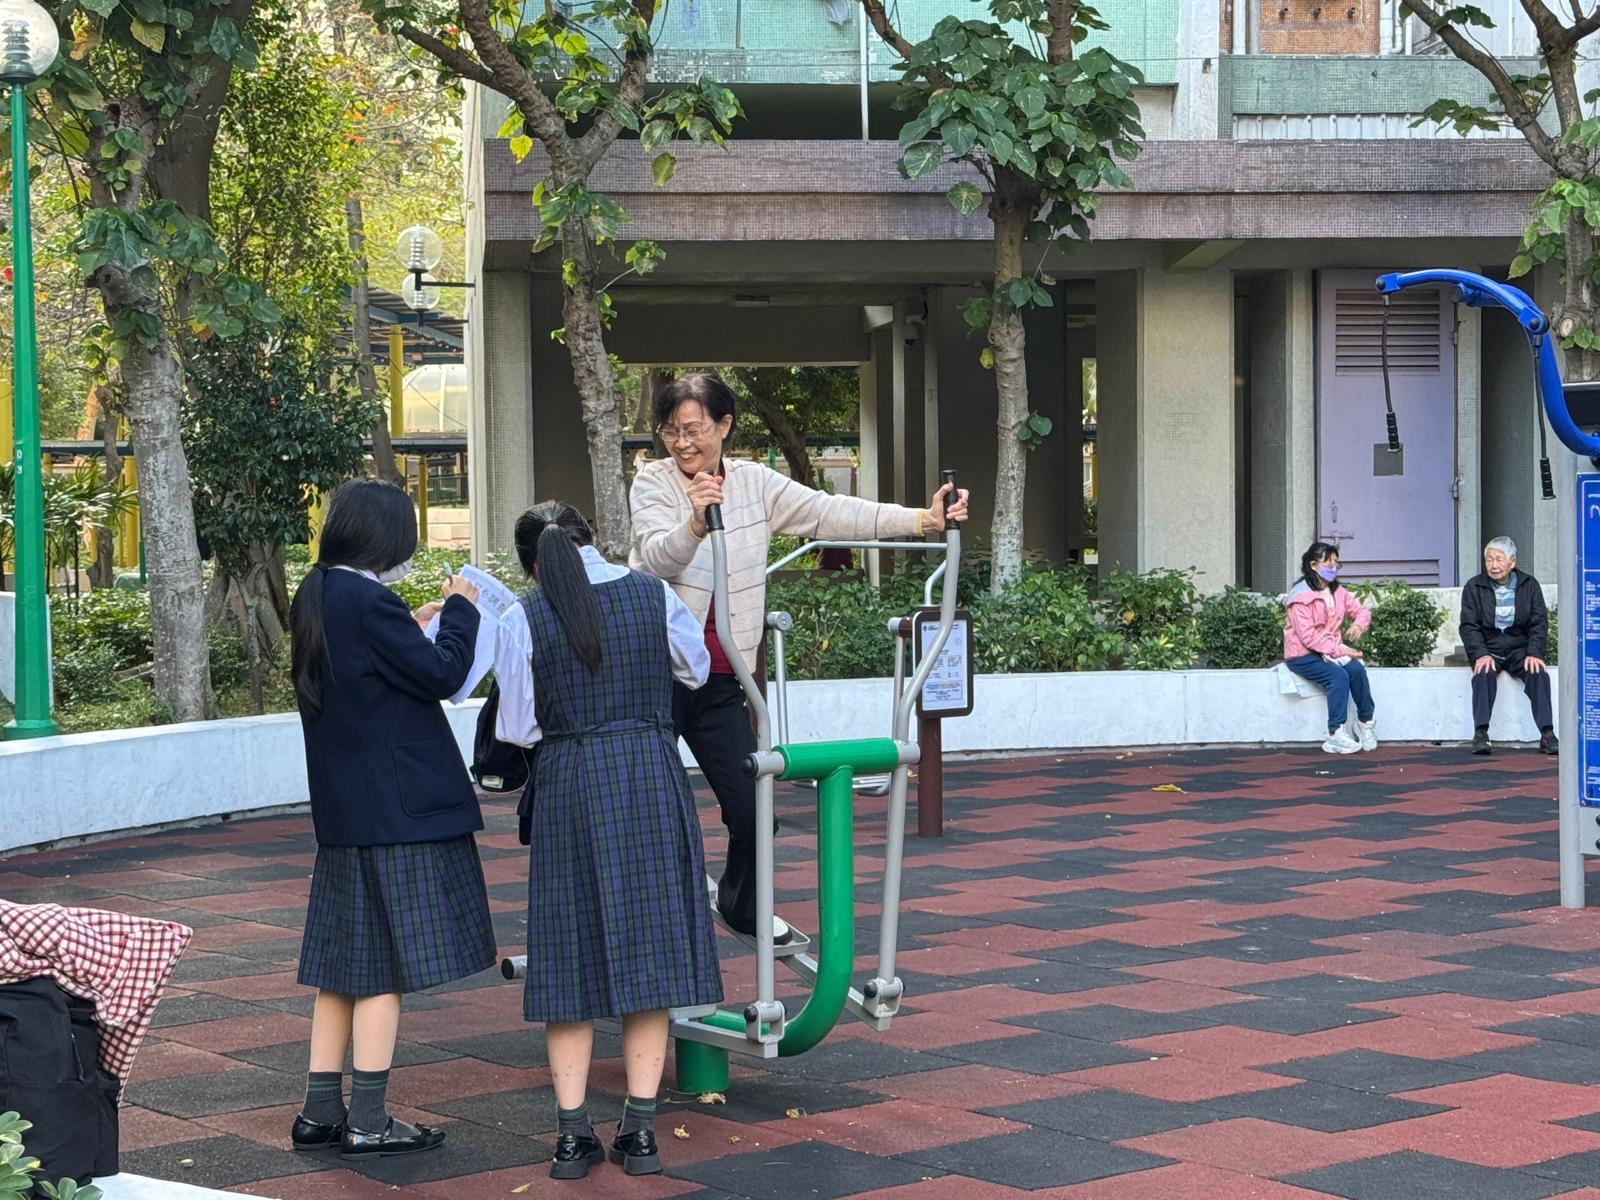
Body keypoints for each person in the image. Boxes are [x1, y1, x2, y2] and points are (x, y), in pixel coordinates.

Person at [629, 372, 969, 943]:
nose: (682, 444)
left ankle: (740, 905)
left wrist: (922, 520)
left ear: (724, 426)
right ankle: (643, 927)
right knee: (648, 812)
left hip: (720, 681)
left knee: (754, 810)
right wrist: (694, 522)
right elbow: (659, 557)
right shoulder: (653, 484)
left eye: (693, 429)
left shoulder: (754, 485)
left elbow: (829, 513)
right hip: (649, 675)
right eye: (670, 432)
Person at [493, 500, 722, 1181]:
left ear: (532, 564)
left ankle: (571, 1139)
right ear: (592, 537)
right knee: (650, 949)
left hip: (569, 779)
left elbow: (518, 728)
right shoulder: (653, 594)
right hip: (649, 772)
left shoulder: (522, 616)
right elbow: (696, 670)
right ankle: (641, 1134)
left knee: (567, 955)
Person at [287, 477, 496, 1159]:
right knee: (381, 968)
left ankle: (320, 1111)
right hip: (398, 807)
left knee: (343, 966)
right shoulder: (369, 600)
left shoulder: (319, 589)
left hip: (347, 807)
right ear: (385, 537)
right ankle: (369, 1120)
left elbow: (371, 670)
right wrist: (461, 612)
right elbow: (443, 674)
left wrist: (410, 622)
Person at [1461, 536, 1556, 756]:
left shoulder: (1529, 585)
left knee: (1538, 672)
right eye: (1489, 559)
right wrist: (1480, 653)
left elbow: (1539, 622)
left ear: (1512, 562)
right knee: (1483, 672)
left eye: (1499, 559)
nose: (1493, 565)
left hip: (1518, 649)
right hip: (1489, 648)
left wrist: (1534, 652)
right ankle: (1481, 733)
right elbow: (1468, 626)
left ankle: (1547, 734)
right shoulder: (1474, 586)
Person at [1284, 541, 1377, 755]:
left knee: (1357, 670)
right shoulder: (1299, 597)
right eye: (1328, 562)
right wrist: (1341, 650)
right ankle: (1335, 733)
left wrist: (1358, 625)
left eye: (1336, 562)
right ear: (1313, 565)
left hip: (1331, 650)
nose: (1333, 567)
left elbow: (1362, 611)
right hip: (1302, 654)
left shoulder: (1338, 591)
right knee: (1338, 677)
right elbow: (1308, 638)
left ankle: (1365, 723)